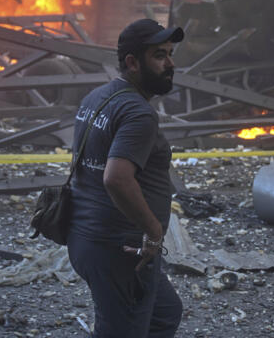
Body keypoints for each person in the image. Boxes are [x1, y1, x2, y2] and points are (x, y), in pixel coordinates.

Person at [66, 18, 184, 337]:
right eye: (159, 55)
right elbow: (116, 178)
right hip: (121, 250)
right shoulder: (138, 113)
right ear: (132, 62)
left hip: (88, 239)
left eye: (170, 54)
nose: (170, 64)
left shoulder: (96, 98)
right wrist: (154, 230)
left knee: (164, 314)